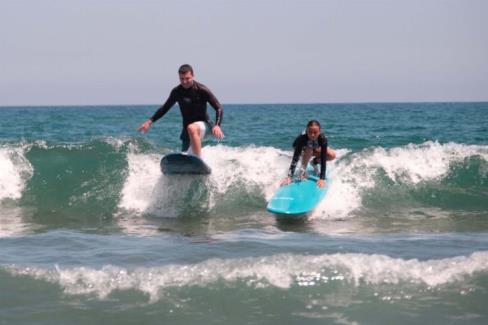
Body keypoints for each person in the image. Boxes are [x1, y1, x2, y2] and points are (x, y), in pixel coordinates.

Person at [138, 64, 224, 157]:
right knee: (185, 156)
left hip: (205, 125)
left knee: (192, 128)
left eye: (187, 78)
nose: (184, 81)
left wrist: (217, 125)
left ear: (193, 76)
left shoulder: (202, 90)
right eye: (181, 79)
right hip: (187, 130)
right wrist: (150, 122)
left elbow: (218, 108)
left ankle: (199, 160)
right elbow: (165, 108)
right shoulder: (177, 92)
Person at [282, 120, 336, 188]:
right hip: (301, 150)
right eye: (310, 132)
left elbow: (323, 157)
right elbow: (296, 157)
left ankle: (314, 162)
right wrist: (289, 176)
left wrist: (322, 178)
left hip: (313, 147)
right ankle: (303, 171)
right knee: (309, 149)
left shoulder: (322, 138)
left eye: (315, 132)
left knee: (332, 155)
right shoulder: (302, 138)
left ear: (319, 132)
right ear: (307, 131)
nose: (312, 135)